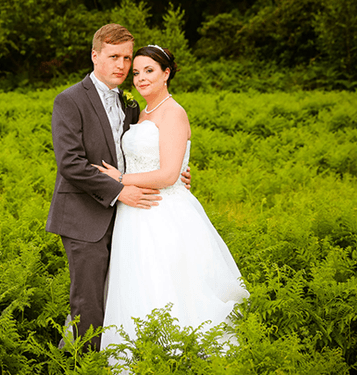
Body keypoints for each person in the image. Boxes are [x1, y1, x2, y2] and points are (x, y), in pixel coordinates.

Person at [94, 45, 250, 356]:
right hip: (133, 211)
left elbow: (167, 175)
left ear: (166, 73)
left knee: (168, 278)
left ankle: (179, 350)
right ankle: (142, 349)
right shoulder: (140, 112)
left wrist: (120, 180)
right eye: (136, 72)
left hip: (163, 209)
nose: (140, 78)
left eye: (149, 70)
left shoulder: (174, 112)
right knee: (137, 278)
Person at [46, 25, 191, 350]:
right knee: (89, 301)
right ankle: (83, 365)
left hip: (129, 218)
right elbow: (70, 164)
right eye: (114, 57)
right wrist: (119, 189)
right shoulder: (69, 100)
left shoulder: (130, 106)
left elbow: (147, 152)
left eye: (127, 58)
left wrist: (177, 171)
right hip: (85, 217)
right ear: (95, 55)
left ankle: (124, 355)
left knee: (123, 294)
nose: (122, 66)